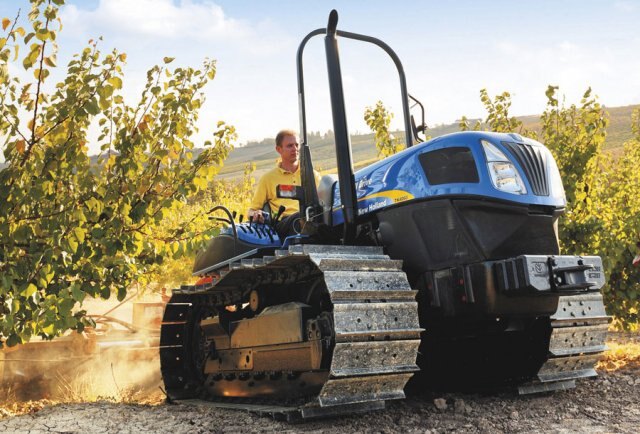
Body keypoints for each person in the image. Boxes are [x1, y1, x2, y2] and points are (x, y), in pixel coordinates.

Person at [248, 129, 319, 237]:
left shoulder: (312, 175)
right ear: (279, 149)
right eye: (290, 146)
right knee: (299, 218)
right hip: (284, 224)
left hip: (311, 218)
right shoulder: (268, 179)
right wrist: (255, 213)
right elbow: (251, 210)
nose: (295, 149)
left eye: (296, 145)